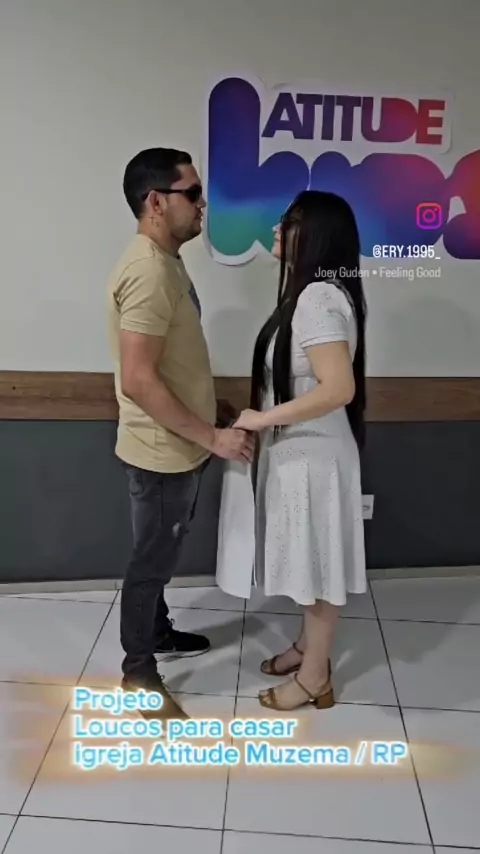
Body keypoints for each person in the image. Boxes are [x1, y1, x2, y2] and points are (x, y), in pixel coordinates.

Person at [107, 148, 253, 717]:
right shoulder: (148, 271)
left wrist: (209, 407)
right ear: (156, 202)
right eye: (192, 193)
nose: (202, 204)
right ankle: (138, 675)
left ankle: (158, 632)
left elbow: (169, 362)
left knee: (161, 553)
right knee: (150, 563)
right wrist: (214, 438)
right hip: (162, 452)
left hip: (178, 444)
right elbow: (139, 378)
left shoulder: (165, 262)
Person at [234, 190, 367, 712]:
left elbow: (339, 388)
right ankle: (306, 649)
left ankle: (315, 676)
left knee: (318, 568)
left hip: (314, 458)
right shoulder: (317, 294)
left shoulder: (317, 298)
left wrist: (261, 419)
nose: (277, 229)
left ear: (315, 236)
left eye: (288, 222)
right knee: (309, 561)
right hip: (304, 453)